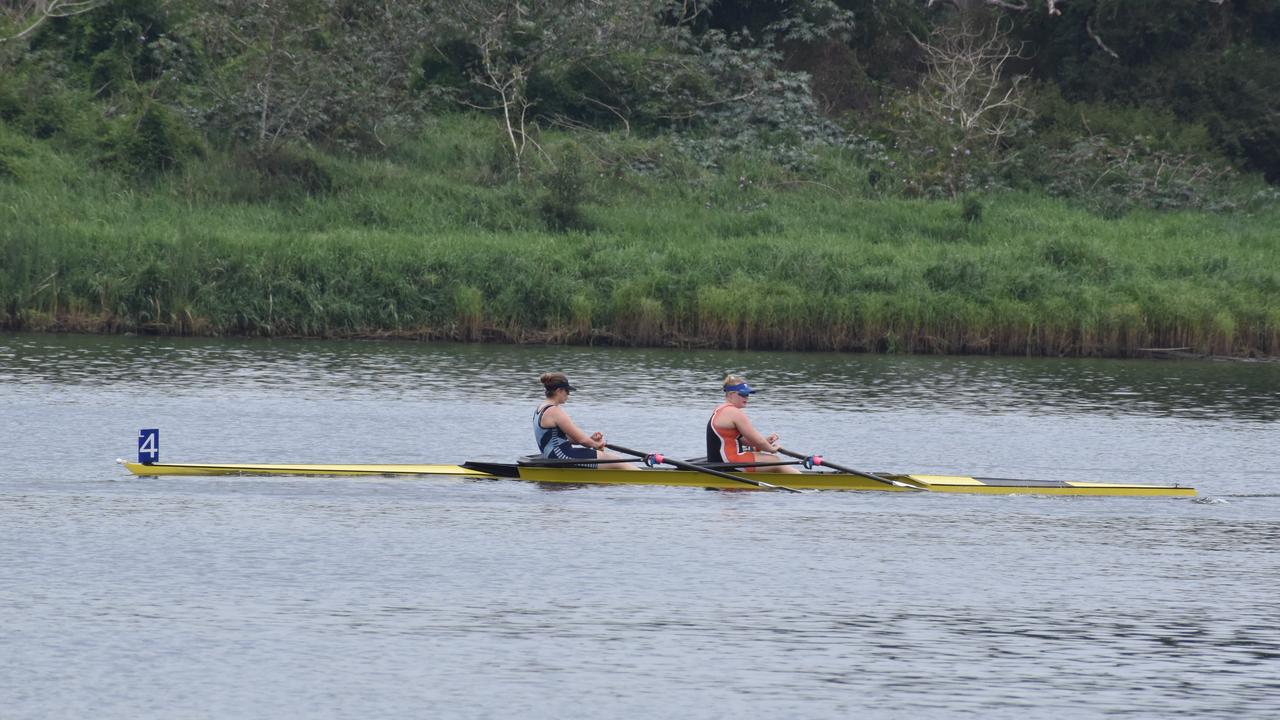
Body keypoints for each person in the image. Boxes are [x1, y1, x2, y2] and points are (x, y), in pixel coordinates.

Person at [534, 372, 638, 469]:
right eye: (567, 391)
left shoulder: (541, 408)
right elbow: (582, 440)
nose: (568, 394)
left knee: (609, 460)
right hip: (561, 456)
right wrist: (597, 444)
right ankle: (644, 479)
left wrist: (591, 440)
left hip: (554, 456)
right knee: (616, 460)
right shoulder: (554, 411)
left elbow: (565, 438)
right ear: (559, 391)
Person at [706, 374, 801, 474]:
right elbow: (758, 440)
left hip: (719, 462)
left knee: (764, 457)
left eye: (748, 394)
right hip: (729, 462)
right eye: (743, 394)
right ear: (730, 394)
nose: (746, 397)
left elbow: (744, 440)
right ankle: (803, 482)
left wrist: (765, 441)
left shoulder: (719, 409)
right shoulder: (734, 412)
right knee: (775, 460)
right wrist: (771, 449)